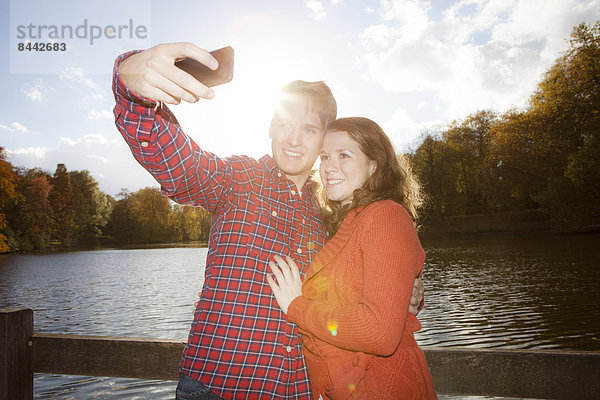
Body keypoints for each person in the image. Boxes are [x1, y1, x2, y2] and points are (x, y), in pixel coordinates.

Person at [112, 42, 424, 399]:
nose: (293, 139)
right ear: (271, 129)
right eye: (285, 125)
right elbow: (176, 160)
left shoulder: (331, 217)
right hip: (219, 388)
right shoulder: (236, 179)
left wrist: (408, 294)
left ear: (323, 137)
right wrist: (130, 86)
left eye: (308, 129)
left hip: (298, 391)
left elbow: (366, 285)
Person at [268, 117, 437, 399]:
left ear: (374, 164)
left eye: (344, 155)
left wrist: (296, 307)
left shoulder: (385, 215)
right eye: (324, 157)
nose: (329, 167)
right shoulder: (343, 225)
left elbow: (380, 334)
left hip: (383, 387)